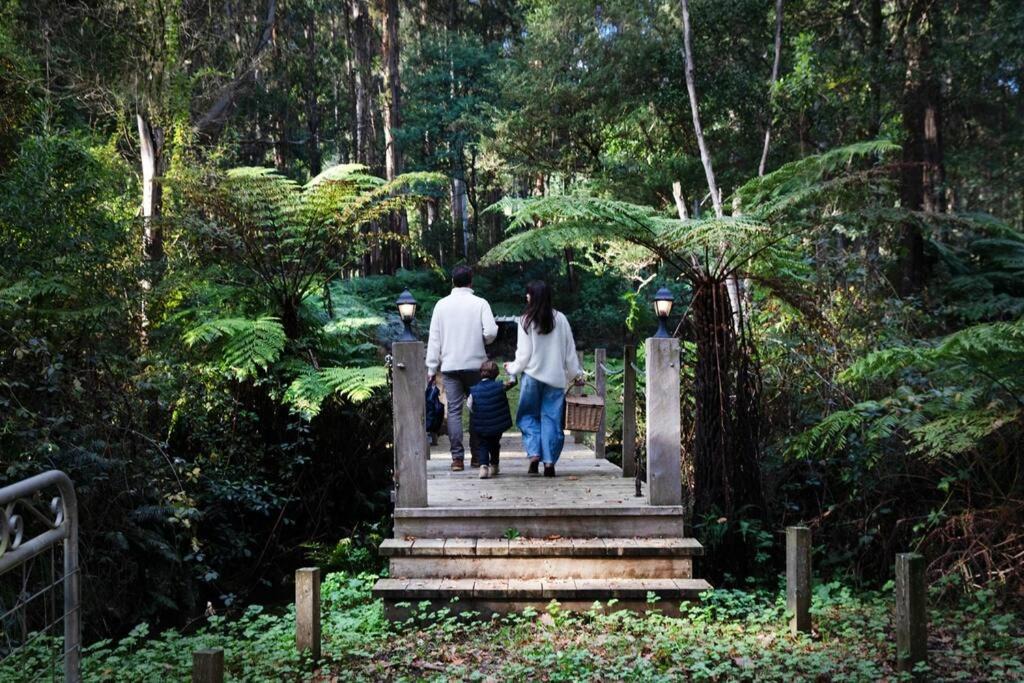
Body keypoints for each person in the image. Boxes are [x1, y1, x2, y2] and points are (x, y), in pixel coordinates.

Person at [504, 280, 583, 478]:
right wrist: (577, 375)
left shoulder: (526, 320)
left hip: (531, 377)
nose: (526, 297)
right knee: (551, 420)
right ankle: (549, 463)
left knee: (528, 416)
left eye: (528, 294)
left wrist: (512, 368)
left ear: (534, 297)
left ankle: (534, 455)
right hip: (555, 379)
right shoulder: (561, 319)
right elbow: (569, 353)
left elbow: (523, 355)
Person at [425, 265, 498, 471]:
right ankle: (477, 457)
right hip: (476, 366)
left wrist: (431, 368)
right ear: (471, 282)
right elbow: (491, 331)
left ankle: (457, 459)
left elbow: (435, 339)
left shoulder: (441, 305)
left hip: (450, 367)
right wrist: (482, 339)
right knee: (477, 410)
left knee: (455, 411)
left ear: (452, 282)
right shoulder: (480, 303)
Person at [467, 360, 514, 479]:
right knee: (494, 444)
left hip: (481, 424)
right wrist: (510, 370)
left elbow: (469, 405)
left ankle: (483, 466)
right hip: (496, 425)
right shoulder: (500, 386)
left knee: (482, 444)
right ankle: (494, 465)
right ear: (496, 374)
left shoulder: (474, 390)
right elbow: (513, 382)